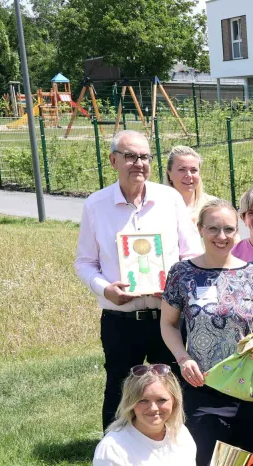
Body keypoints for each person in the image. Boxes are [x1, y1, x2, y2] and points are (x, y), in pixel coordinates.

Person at [74, 129, 203, 431]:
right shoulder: (96, 205)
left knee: (170, 391)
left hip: (168, 318)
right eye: (130, 156)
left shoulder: (169, 199)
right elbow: (85, 262)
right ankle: (115, 459)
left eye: (144, 157)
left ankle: (170, 457)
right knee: (120, 391)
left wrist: (175, 288)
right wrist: (104, 288)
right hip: (120, 318)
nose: (138, 163)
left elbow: (193, 252)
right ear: (113, 160)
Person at [161, 199, 253, 466]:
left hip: (248, 388)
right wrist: (183, 358)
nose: (221, 236)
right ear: (200, 230)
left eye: (228, 229)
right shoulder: (182, 273)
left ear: (237, 231)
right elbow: (168, 325)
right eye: (213, 228)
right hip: (202, 385)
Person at [165, 145, 216, 223]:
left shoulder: (213, 206)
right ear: (169, 173)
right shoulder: (157, 208)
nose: (189, 175)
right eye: (181, 169)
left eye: (193, 170)